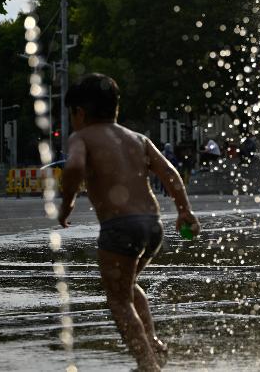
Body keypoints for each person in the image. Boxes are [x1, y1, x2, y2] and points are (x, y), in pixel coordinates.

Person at [57, 74, 201, 371]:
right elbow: (171, 174)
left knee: (118, 300)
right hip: (152, 226)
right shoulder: (138, 139)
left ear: (79, 113)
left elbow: (73, 167)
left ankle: (147, 363)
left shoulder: (81, 137)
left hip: (119, 228)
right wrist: (184, 211)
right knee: (128, 285)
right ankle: (154, 344)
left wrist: (68, 200)